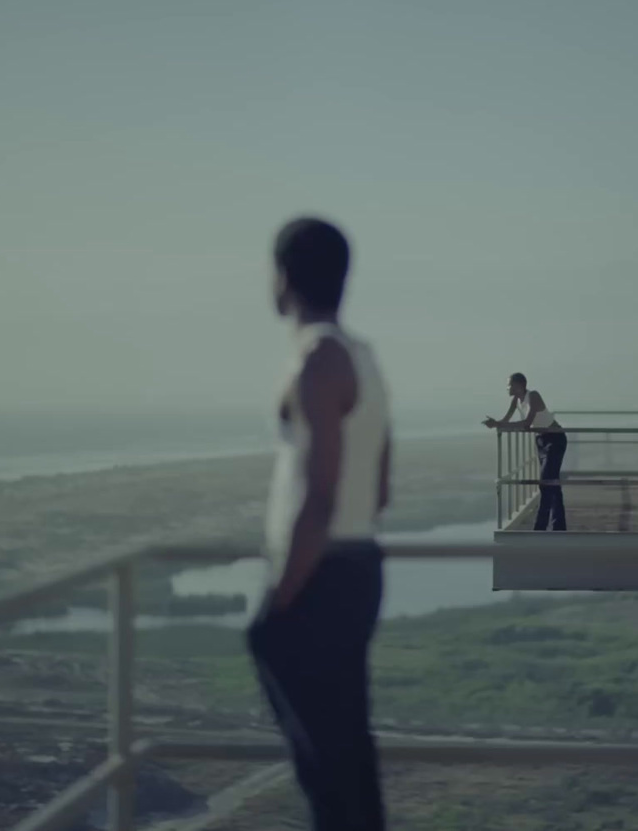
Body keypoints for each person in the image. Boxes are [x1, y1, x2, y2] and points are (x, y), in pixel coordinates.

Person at [246, 217, 392, 831]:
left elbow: (319, 497)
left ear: (283, 277)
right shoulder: (361, 356)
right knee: (344, 761)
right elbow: (378, 486)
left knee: (327, 773)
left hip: (321, 578)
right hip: (352, 570)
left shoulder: (318, 360)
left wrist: (280, 601)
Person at [483, 373, 567, 531]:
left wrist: (499, 425)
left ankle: (540, 528)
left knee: (546, 482)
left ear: (519, 385)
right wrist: (495, 423)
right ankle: (559, 526)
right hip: (541, 440)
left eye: (510, 385)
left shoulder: (533, 396)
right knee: (552, 483)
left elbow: (527, 424)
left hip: (555, 439)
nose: (507, 388)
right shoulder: (515, 400)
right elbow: (506, 420)